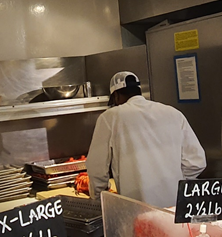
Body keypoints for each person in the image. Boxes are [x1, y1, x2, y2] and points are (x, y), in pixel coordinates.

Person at [85, 71, 207, 208]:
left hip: (135, 208)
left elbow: (97, 168)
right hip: (174, 206)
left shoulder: (110, 117)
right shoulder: (173, 113)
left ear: (116, 95)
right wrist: (174, 184)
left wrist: (99, 198)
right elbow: (197, 162)